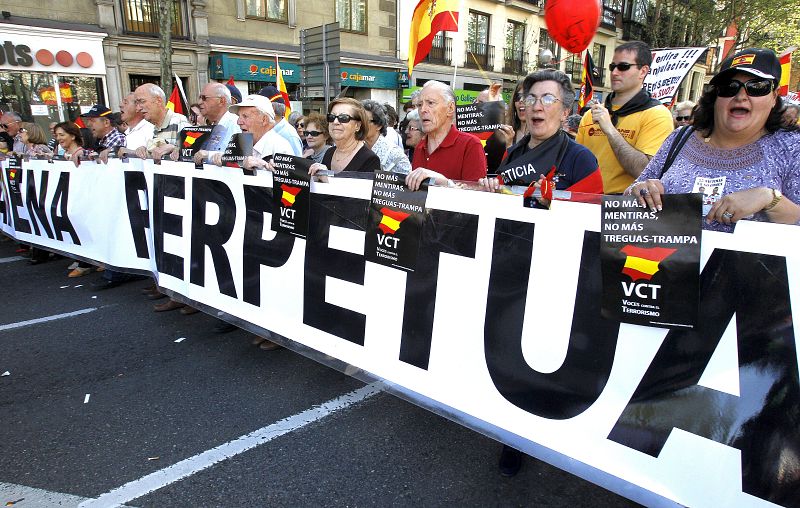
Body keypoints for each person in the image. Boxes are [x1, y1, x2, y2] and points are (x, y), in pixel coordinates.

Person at [626, 47, 800, 233]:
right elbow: (629, 200)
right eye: (729, 87)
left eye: (756, 87)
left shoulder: (791, 148)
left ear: (774, 96)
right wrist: (641, 191)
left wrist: (770, 199)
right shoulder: (680, 138)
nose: (741, 97)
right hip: (665, 251)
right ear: (716, 95)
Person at [480, 69, 602, 207]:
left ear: (565, 113)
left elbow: (593, 212)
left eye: (548, 99)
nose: (536, 107)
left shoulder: (581, 158)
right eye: (530, 99)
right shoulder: (512, 153)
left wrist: (552, 203)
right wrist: (490, 190)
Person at [576, 41, 674, 194]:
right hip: (586, 200)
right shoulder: (591, 114)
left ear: (643, 71)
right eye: (612, 67)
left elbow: (645, 171)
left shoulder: (657, 115)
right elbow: (576, 164)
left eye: (623, 67)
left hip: (623, 204)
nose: (614, 72)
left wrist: (610, 130)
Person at [406, 80, 487, 190]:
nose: (422, 110)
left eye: (430, 103)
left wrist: (443, 182)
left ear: (450, 108)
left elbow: (475, 195)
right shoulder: (420, 147)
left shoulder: (470, 145)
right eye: (420, 105)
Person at [309, 97, 380, 176]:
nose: (335, 122)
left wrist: (327, 176)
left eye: (343, 118)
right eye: (331, 117)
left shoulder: (370, 159)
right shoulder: (329, 153)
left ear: (357, 125)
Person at [221, 94, 292, 171]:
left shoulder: (281, 148)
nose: (239, 122)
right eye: (239, 116)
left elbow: (289, 177)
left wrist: (267, 169)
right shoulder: (240, 144)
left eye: (245, 116)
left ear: (264, 120)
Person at [133, 83, 190, 160]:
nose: (138, 108)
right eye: (136, 103)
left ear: (158, 101)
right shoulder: (150, 127)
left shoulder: (179, 121)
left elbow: (191, 154)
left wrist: (174, 149)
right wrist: (143, 151)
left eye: (142, 101)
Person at [191, 82, 241, 164]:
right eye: (199, 98)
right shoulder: (209, 126)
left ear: (221, 101)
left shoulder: (236, 124)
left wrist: (209, 155)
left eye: (204, 98)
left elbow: (239, 159)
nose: (199, 102)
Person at [362, 100, 411, 174]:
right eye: (358, 121)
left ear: (379, 125)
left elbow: (406, 178)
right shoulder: (354, 147)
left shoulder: (394, 154)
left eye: (365, 121)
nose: (360, 125)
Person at [257, 86, 303, 156]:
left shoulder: (289, 135)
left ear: (272, 108)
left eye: (259, 107)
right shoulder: (266, 131)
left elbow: (297, 161)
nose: (257, 111)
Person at [118, 92, 155, 158]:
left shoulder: (150, 129)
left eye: (125, 103)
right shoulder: (126, 132)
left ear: (137, 107)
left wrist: (132, 152)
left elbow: (156, 156)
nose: (120, 105)